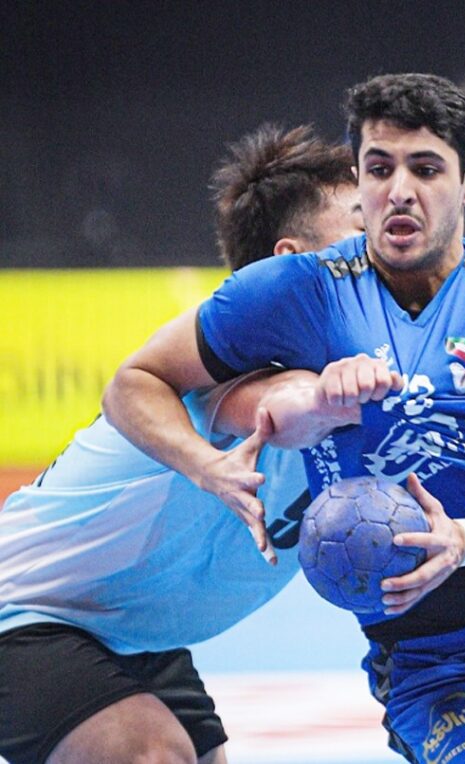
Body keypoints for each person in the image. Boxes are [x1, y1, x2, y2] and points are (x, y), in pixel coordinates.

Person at [102, 72, 465, 764]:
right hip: (445, 669)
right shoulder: (296, 290)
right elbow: (136, 381)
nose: (399, 189)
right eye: (379, 168)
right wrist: (207, 466)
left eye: (426, 169)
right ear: (359, 178)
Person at [0, 124, 375, 764]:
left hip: (133, 627)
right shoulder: (232, 370)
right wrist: (327, 405)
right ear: (292, 260)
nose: (385, 246)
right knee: (150, 755)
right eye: (361, 228)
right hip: (27, 610)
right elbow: (275, 401)